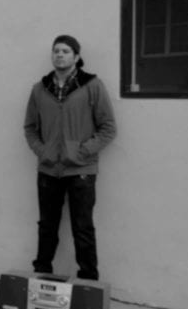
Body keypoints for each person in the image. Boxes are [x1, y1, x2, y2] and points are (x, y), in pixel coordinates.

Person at [23, 35, 117, 281]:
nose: (59, 55)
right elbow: (30, 128)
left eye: (65, 51)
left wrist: (82, 151)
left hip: (81, 171)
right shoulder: (40, 89)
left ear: (76, 57)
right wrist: (43, 152)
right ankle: (41, 274)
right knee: (47, 226)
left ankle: (88, 280)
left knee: (82, 227)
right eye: (56, 51)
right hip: (48, 170)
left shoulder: (92, 86)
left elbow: (108, 128)